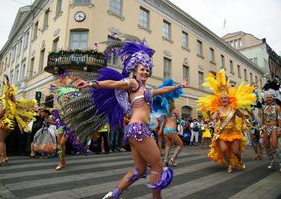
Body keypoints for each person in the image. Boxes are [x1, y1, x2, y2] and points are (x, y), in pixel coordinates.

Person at [65, 40, 186, 199]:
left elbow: (163, 89)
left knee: (140, 169)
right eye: (142, 69)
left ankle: (113, 194)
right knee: (157, 165)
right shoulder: (133, 84)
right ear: (135, 71)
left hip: (134, 130)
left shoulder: (146, 90)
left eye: (147, 70)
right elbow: (114, 83)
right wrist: (91, 83)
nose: (145, 72)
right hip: (139, 129)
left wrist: (178, 86)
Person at [198, 69, 256, 173]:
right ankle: (229, 165)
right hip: (222, 133)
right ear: (220, 99)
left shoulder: (233, 107)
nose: (224, 100)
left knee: (236, 151)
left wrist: (245, 121)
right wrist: (213, 112)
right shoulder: (218, 108)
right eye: (222, 98)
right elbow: (213, 118)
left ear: (228, 99)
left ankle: (239, 161)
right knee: (224, 150)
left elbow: (241, 115)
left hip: (233, 133)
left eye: (225, 98)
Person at [0, 76, 36, 167]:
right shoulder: (13, 103)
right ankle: (4, 158)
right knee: (2, 141)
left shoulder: (6, 105)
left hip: (5, 122)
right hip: (11, 123)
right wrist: (7, 83)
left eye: (5, 93)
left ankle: (1, 160)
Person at [259, 89, 281, 171]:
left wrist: (279, 128)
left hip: (274, 127)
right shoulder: (264, 107)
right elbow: (262, 118)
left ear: (273, 98)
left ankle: (280, 162)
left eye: (270, 97)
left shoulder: (277, 107)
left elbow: (279, 118)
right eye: (267, 97)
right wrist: (261, 127)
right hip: (265, 127)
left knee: (274, 145)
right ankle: (271, 160)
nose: (268, 99)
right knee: (266, 145)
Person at [163, 100, 184, 167]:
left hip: (165, 130)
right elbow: (181, 121)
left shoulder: (165, 111)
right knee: (180, 144)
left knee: (167, 145)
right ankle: (172, 159)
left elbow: (163, 121)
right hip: (171, 130)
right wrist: (182, 121)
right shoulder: (175, 110)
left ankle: (165, 160)